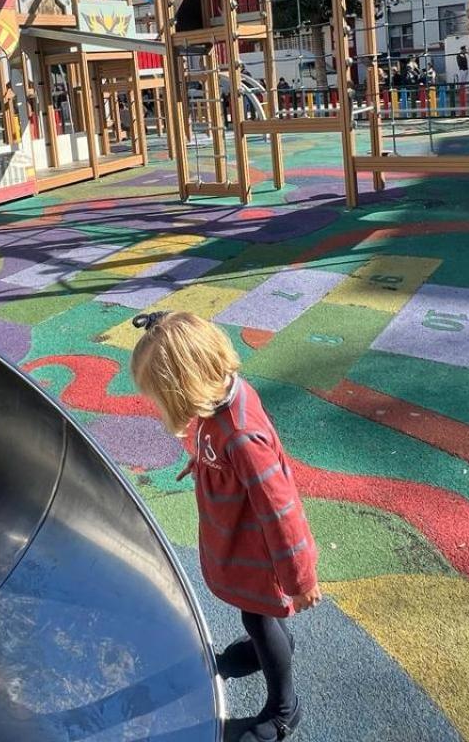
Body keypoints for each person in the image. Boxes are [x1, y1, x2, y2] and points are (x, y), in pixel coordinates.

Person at [131, 311, 319, 741]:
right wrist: (201, 461)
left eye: (161, 396)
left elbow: (280, 510)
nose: (159, 407)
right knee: (259, 619)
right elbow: (211, 437)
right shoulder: (221, 401)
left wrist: (299, 578)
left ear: (187, 386)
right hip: (234, 533)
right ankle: (271, 649)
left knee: (259, 618)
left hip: (256, 548)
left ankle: (284, 710)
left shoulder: (241, 437)